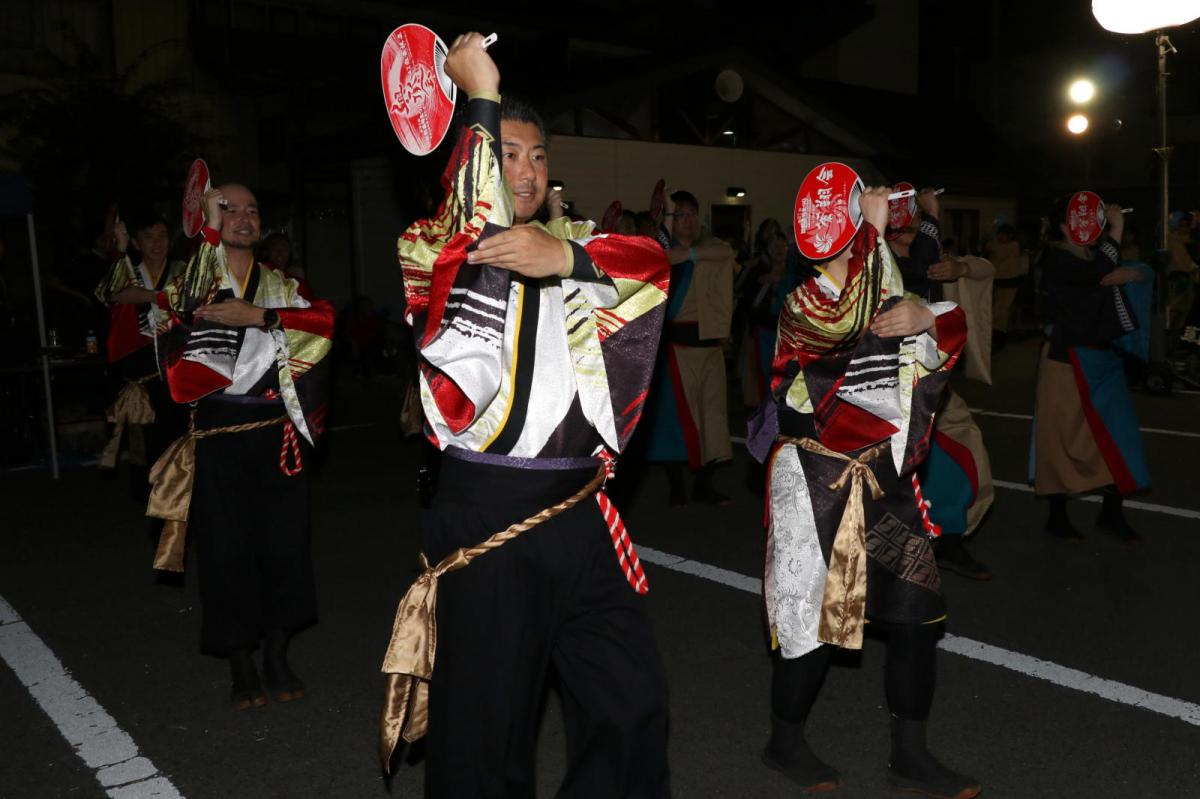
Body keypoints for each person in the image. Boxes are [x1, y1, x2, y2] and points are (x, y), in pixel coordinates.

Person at [378, 33, 670, 797]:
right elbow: (468, 244)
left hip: (580, 508)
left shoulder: (577, 244)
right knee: (487, 730)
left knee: (629, 700)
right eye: (507, 153)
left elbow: (652, 264)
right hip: (489, 511)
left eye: (538, 155)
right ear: (474, 157)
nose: (528, 170)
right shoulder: (430, 245)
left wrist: (564, 259)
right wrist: (477, 93)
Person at [750, 186, 979, 798]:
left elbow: (945, 332)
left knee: (914, 615)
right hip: (818, 479)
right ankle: (785, 741)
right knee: (814, 622)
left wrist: (927, 315)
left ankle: (911, 753)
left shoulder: (886, 290)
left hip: (885, 478)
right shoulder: (802, 302)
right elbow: (843, 326)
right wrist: (876, 238)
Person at [145, 182, 334, 710]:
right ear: (209, 218)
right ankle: (240, 658)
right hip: (219, 432)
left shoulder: (282, 286)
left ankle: (277, 649)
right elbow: (175, 310)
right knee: (226, 550)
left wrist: (266, 316)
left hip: (276, 433)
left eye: (252, 209)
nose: (243, 218)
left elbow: (321, 325)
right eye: (229, 209)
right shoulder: (194, 279)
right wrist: (203, 225)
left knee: (285, 546)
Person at [1031, 198, 1149, 541]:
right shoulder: (1056, 258)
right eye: (1079, 220)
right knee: (1060, 440)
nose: (1088, 225)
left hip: (1104, 358)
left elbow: (1142, 271)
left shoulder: (1092, 256)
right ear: (1064, 227)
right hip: (1065, 360)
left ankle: (1111, 513)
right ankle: (1057, 517)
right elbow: (1095, 275)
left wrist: (1135, 274)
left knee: (1119, 436)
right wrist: (1116, 231)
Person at [641, 189, 736, 504]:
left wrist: (689, 255)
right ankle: (677, 486)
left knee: (713, 419)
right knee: (675, 421)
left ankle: (704, 486)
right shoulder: (665, 249)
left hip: (710, 349)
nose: (687, 221)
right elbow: (657, 255)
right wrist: (674, 251)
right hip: (676, 350)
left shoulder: (713, 247)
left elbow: (726, 254)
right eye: (680, 215)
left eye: (691, 214)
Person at [94, 211, 188, 499]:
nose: (156, 243)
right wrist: (160, 296)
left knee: (176, 436)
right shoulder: (128, 270)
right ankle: (152, 496)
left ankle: (178, 493)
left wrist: (144, 294)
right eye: (148, 237)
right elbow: (112, 294)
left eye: (161, 235)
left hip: (176, 368)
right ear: (136, 242)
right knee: (144, 441)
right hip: (142, 371)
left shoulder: (183, 269)